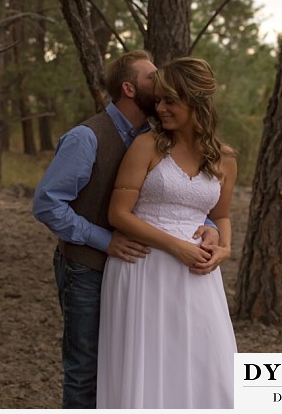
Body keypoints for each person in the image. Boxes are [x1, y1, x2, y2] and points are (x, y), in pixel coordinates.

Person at [32, 50, 222, 409]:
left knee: (125, 364)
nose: (161, 83)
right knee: (85, 369)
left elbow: (172, 197)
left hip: (139, 273)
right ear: (130, 88)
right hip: (85, 267)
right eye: (153, 79)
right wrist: (104, 240)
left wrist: (209, 226)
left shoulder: (156, 137)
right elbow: (46, 203)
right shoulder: (86, 137)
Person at [97, 57, 238, 409]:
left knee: (206, 362)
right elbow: (118, 214)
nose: (159, 108)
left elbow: (220, 216)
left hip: (198, 276)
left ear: (196, 101)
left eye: (169, 100)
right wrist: (176, 247)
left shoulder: (225, 158)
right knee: (149, 364)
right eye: (158, 99)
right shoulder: (147, 146)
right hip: (144, 269)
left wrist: (224, 248)